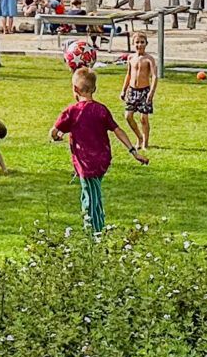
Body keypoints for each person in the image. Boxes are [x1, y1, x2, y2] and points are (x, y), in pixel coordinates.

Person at [52, 66, 142, 235]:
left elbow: (54, 131)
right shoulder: (101, 110)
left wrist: (56, 136)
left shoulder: (72, 111)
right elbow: (118, 131)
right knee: (90, 192)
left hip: (86, 163)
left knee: (91, 196)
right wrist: (133, 151)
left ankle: (95, 231)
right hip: (102, 160)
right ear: (94, 89)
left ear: (75, 89)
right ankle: (94, 224)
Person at [120, 31, 158, 154]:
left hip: (144, 91)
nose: (139, 45)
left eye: (142, 42)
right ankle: (139, 137)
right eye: (137, 42)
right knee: (128, 116)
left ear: (146, 44)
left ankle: (145, 143)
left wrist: (151, 93)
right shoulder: (131, 58)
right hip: (132, 90)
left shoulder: (149, 59)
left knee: (144, 118)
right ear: (133, 44)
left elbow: (154, 76)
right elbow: (129, 74)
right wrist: (124, 90)